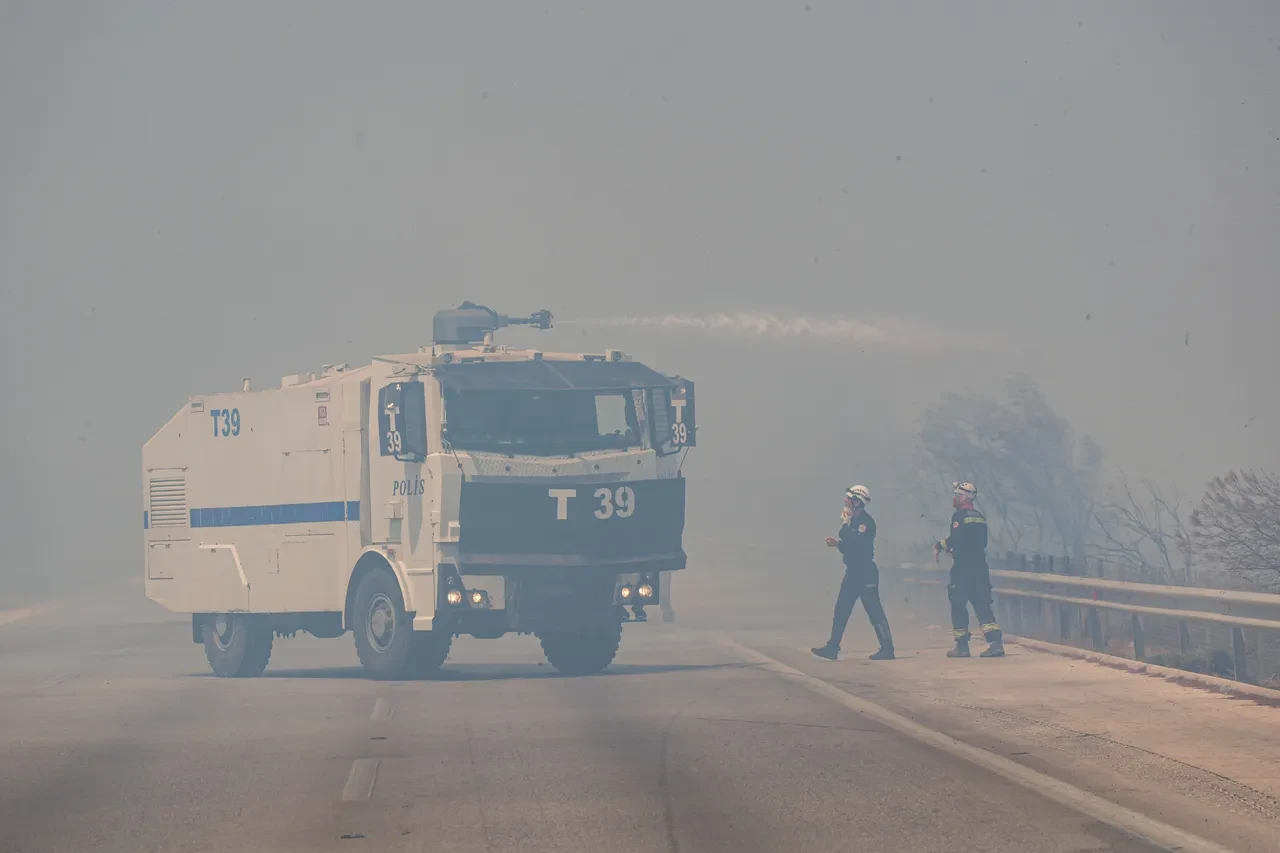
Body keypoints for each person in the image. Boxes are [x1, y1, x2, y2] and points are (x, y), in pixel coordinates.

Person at [811, 485, 895, 661]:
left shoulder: (866, 523)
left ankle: (887, 649)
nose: (845, 501)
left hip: (865, 573)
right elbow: (850, 547)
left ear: (857, 502)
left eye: (848, 498)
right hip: (854, 572)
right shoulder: (853, 522)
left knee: (874, 611)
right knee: (841, 609)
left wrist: (843, 528)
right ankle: (833, 647)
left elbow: (857, 545)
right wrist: (838, 544)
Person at [933, 481, 1005, 658]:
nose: (954, 498)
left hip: (963, 569)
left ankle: (962, 646)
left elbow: (957, 539)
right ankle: (996, 644)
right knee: (982, 605)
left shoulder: (959, 516)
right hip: (980, 568)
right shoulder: (979, 516)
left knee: (958, 604)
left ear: (964, 497)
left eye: (956, 495)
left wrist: (944, 547)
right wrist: (942, 544)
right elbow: (980, 542)